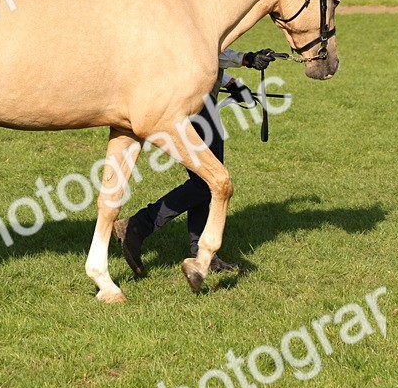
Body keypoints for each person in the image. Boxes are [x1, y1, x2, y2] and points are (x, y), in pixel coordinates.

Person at [112, 47, 278, 276]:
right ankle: (137, 226)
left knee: (204, 181)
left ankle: (201, 252)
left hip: (200, 103)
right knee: (208, 182)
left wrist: (230, 83)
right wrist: (246, 59)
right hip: (195, 106)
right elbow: (204, 49)